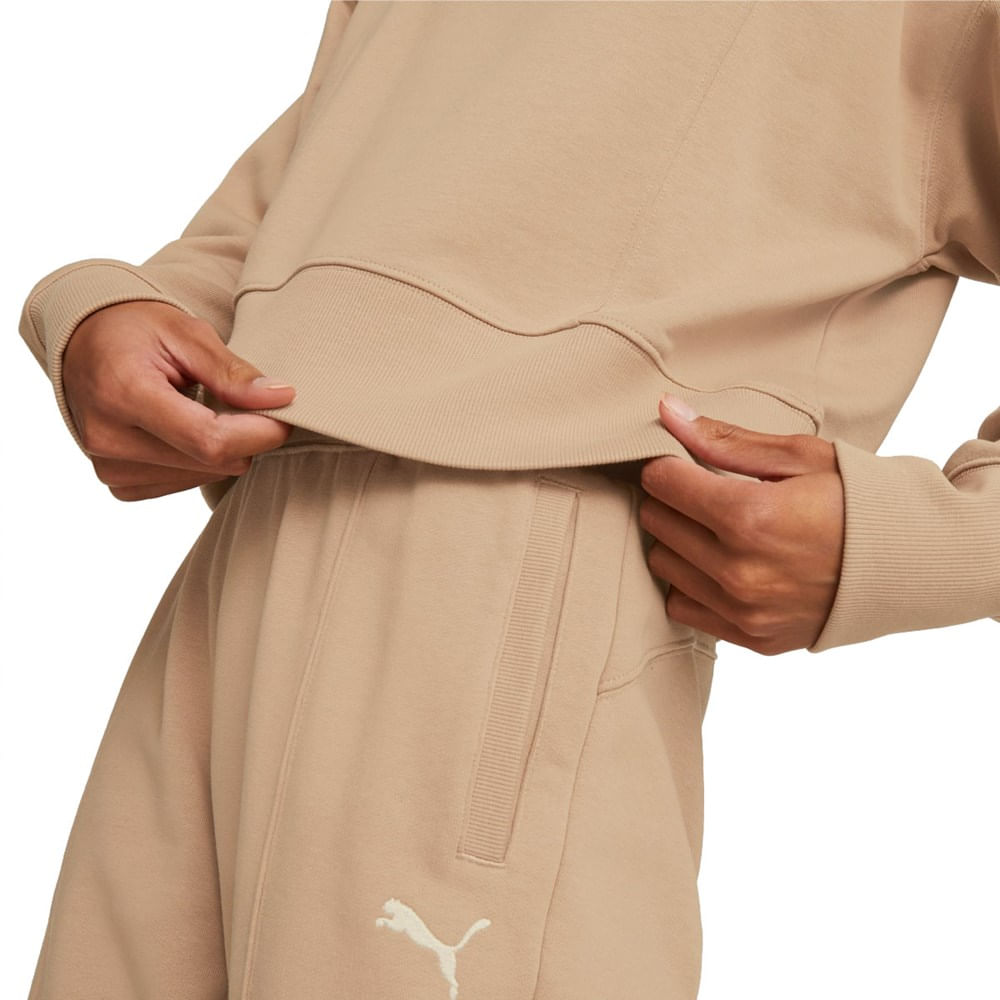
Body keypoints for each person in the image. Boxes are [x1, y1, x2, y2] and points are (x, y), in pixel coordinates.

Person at [15, 1, 1000, 997]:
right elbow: (326, 187)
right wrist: (112, 306)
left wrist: (921, 539)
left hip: (515, 574)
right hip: (243, 557)